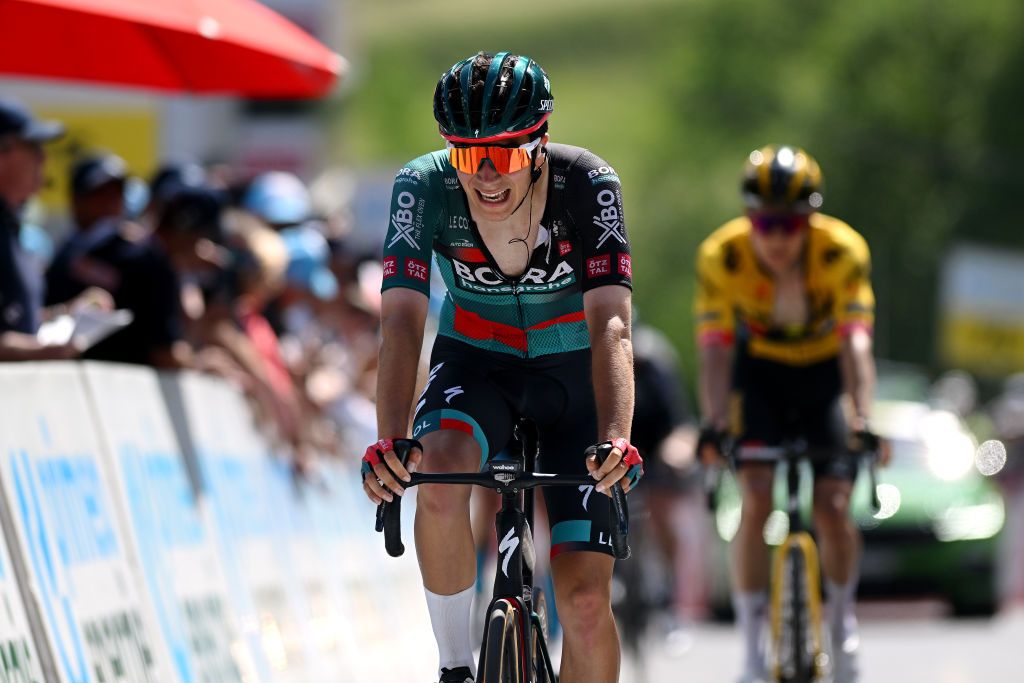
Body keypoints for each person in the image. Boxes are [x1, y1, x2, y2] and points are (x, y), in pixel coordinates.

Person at [359, 52, 641, 683]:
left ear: (538, 144)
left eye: (505, 154)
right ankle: (456, 665)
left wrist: (618, 437)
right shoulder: (422, 186)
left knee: (588, 605)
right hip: (475, 363)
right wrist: (388, 439)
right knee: (436, 477)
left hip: (574, 376)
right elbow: (401, 321)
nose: (484, 173)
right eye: (466, 154)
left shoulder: (589, 184)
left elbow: (613, 324)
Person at [695, 145, 885, 683]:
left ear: (811, 220)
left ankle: (843, 622)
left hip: (825, 375)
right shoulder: (721, 256)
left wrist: (862, 417)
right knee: (755, 497)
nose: (776, 238)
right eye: (764, 222)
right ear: (749, 218)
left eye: (790, 224)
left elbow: (856, 345)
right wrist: (713, 421)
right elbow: (714, 349)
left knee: (833, 502)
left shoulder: (843, 251)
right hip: (760, 377)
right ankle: (753, 646)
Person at [45, 152, 189, 367]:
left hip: (128, 381)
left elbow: (162, 342)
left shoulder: (143, 253)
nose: (110, 201)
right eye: (99, 193)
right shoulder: (64, 252)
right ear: (76, 198)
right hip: (66, 374)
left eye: (117, 191)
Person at [0, 98, 110, 360]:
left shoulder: (9, 224)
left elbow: (14, 319)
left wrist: (66, 314)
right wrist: (44, 352)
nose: (44, 157)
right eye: (33, 146)